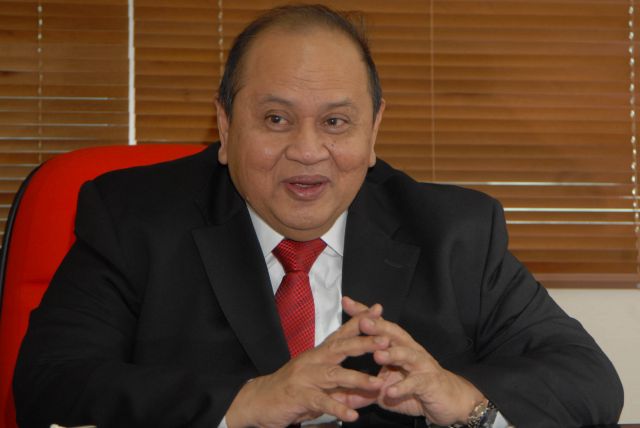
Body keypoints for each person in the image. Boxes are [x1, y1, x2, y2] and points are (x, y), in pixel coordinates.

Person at [14, 4, 623, 428]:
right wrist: (247, 401)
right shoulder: (134, 218)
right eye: (276, 119)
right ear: (225, 125)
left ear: (373, 130)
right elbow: (50, 386)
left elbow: (587, 380)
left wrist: (459, 396)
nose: (308, 151)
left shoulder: (454, 232)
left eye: (336, 121)